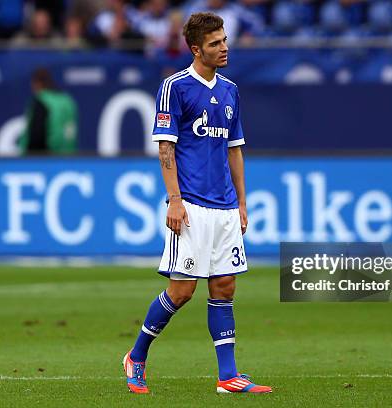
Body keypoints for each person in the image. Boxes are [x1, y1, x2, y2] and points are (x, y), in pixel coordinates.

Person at [122, 12, 272, 394]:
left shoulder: (231, 90)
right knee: (182, 291)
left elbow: (235, 150)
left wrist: (241, 202)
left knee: (224, 287)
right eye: (215, 43)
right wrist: (174, 200)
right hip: (190, 205)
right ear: (195, 49)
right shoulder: (175, 87)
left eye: (224, 40)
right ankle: (137, 355)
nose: (224, 48)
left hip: (224, 207)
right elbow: (165, 147)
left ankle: (227, 377)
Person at [18, 68, 78, 155]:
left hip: (44, 160)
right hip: (68, 158)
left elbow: (36, 135)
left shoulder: (41, 101)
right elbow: (71, 132)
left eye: (32, 84)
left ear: (37, 84)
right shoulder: (68, 101)